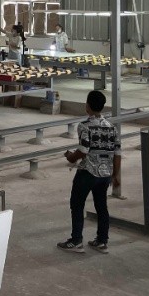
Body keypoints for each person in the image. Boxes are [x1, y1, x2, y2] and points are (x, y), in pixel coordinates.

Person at [58, 90, 121, 254]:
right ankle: (102, 241)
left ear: (87, 106)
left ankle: (76, 241)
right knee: (101, 206)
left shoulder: (84, 126)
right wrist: (115, 175)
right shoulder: (112, 127)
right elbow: (117, 153)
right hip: (105, 174)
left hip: (88, 173)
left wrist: (71, 157)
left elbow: (84, 150)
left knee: (77, 204)